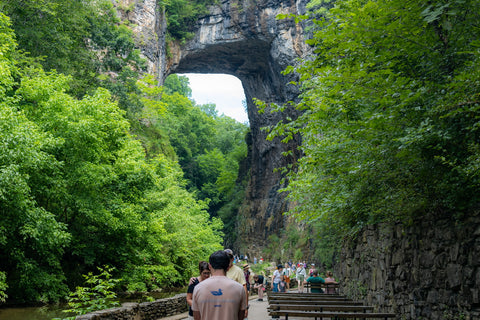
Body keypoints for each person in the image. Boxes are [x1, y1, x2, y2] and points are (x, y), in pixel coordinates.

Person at [192, 250, 247, 320]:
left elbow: (197, 317)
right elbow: (240, 316)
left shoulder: (198, 288)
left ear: (209, 266)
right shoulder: (239, 289)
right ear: (228, 267)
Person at [225, 249, 248, 318]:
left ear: (233, 259)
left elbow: (244, 288)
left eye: (229, 258)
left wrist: (245, 307)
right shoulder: (219, 269)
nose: (227, 260)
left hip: (235, 304)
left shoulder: (238, 271)